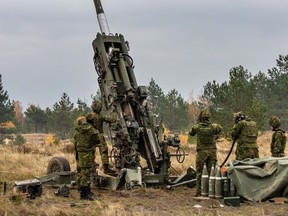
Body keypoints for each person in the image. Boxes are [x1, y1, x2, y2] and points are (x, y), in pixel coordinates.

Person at [189, 110, 222, 197]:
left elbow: (191, 133)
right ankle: (212, 191)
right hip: (211, 152)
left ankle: (199, 191)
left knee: (199, 172)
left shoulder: (197, 127)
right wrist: (216, 137)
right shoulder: (214, 127)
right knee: (212, 171)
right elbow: (220, 129)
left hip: (201, 152)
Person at [86, 100, 118, 175]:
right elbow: (112, 119)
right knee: (104, 150)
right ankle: (106, 168)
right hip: (99, 135)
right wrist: (114, 112)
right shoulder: (100, 116)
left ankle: (91, 167)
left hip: (90, 136)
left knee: (90, 151)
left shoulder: (89, 116)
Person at [74, 116, 100, 200]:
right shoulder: (91, 129)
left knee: (82, 171)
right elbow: (97, 139)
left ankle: (83, 190)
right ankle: (84, 194)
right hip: (88, 153)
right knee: (87, 173)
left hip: (79, 153)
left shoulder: (77, 130)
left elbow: (75, 140)